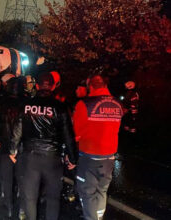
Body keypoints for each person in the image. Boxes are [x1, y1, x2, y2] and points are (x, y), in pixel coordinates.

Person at [11, 73, 77, 220]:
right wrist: (72, 158)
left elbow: (17, 129)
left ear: (38, 86)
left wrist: (12, 149)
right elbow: (68, 135)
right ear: (53, 86)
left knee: (30, 197)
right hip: (52, 159)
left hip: (30, 157)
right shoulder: (60, 107)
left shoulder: (26, 105)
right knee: (53, 198)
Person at [73, 74, 123, 220]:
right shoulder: (117, 104)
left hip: (89, 156)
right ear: (105, 85)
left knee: (87, 192)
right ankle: (98, 217)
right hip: (109, 157)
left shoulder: (84, 104)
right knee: (102, 190)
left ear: (91, 86)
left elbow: (77, 133)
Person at [0, 77, 23, 218]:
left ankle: (8, 203)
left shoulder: (2, 103)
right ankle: (20, 203)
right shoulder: (25, 104)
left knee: (6, 177)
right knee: (20, 175)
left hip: (5, 144)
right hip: (20, 146)